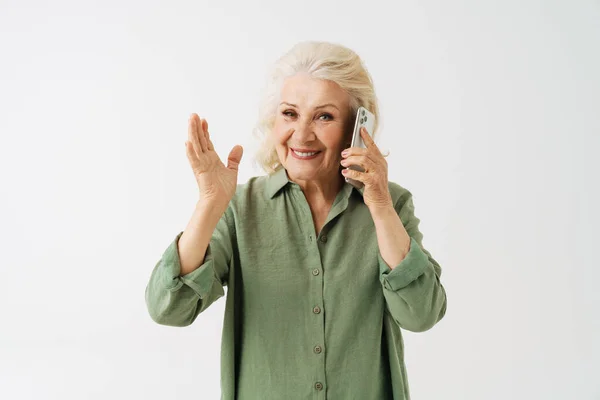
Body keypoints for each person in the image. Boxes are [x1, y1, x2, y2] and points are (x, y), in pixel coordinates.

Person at [145, 41, 447, 400]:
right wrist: (210, 205)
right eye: (290, 113)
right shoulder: (242, 207)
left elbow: (422, 314)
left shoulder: (391, 204)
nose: (302, 135)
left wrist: (379, 204)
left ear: (356, 128)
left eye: (324, 116)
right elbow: (169, 308)